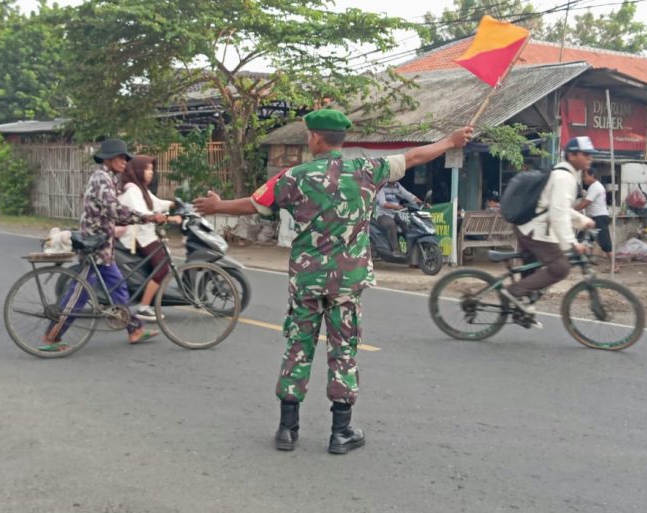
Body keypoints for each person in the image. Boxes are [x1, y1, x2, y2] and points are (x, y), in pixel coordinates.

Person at [193, 109, 473, 455]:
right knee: (343, 351)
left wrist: (217, 204)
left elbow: (252, 205)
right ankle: (341, 433)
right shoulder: (368, 170)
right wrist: (451, 140)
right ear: (341, 138)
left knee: (297, 348)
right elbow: (415, 156)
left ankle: (287, 430)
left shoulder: (292, 177)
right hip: (346, 283)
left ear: (315, 138)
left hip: (307, 281)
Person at [41, 139, 166, 351]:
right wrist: (147, 218)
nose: (124, 161)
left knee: (119, 289)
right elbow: (114, 210)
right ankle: (52, 337)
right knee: (78, 294)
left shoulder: (109, 178)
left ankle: (135, 329)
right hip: (94, 246)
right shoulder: (101, 179)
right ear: (108, 158)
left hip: (103, 247)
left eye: (126, 158)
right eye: (120, 157)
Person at [502, 137, 597, 318]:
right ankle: (513, 291)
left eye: (590, 154)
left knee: (532, 270)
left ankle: (522, 308)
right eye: (585, 154)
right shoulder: (565, 178)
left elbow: (557, 208)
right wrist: (572, 243)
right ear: (571, 155)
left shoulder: (564, 175)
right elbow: (558, 214)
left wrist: (583, 222)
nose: (589, 158)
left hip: (530, 228)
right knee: (561, 267)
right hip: (533, 231)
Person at [116, 155, 181, 322]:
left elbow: (156, 203)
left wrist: (176, 204)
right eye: (147, 169)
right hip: (136, 235)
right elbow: (141, 213)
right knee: (162, 267)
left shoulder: (141, 189)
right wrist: (166, 218)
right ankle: (144, 307)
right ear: (137, 170)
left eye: (152, 169)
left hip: (145, 233)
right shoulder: (132, 190)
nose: (151, 172)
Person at [374, 180, 420, 257]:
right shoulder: (381, 187)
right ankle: (395, 250)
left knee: (407, 224)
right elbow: (383, 203)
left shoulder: (398, 186)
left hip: (396, 214)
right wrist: (396, 207)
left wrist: (421, 202)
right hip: (382, 215)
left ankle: (411, 249)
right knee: (392, 225)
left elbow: (409, 196)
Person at [575, 167, 612, 255]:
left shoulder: (595, 187)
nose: (584, 179)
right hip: (593, 218)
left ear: (592, 176)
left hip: (599, 217)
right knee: (583, 239)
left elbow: (586, 202)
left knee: (605, 243)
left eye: (585, 176)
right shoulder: (593, 187)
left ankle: (614, 265)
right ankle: (588, 259)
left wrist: (573, 210)